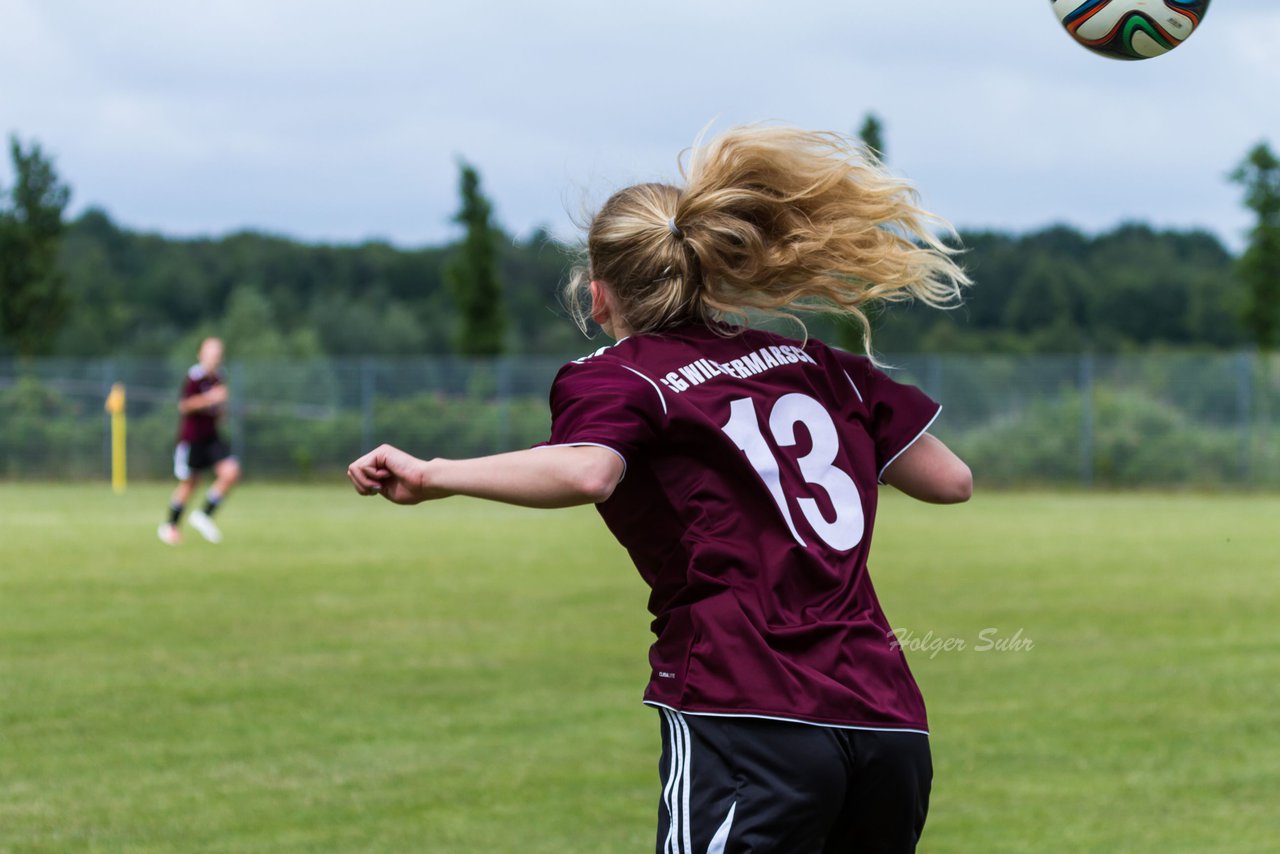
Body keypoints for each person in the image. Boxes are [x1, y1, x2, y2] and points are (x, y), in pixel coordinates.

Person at [347, 126, 973, 853]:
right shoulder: (821, 363)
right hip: (887, 723)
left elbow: (588, 470)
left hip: (749, 711)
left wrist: (434, 475)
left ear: (600, 291)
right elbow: (950, 480)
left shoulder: (621, 374)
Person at [158, 337, 241, 545]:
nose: (215, 358)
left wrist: (222, 408)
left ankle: (204, 515)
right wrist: (210, 399)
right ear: (201, 354)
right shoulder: (194, 377)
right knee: (190, 484)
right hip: (192, 439)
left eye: (218, 354)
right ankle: (170, 525)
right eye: (212, 353)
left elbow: (219, 409)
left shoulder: (220, 377)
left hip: (212, 438)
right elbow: (185, 405)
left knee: (231, 472)